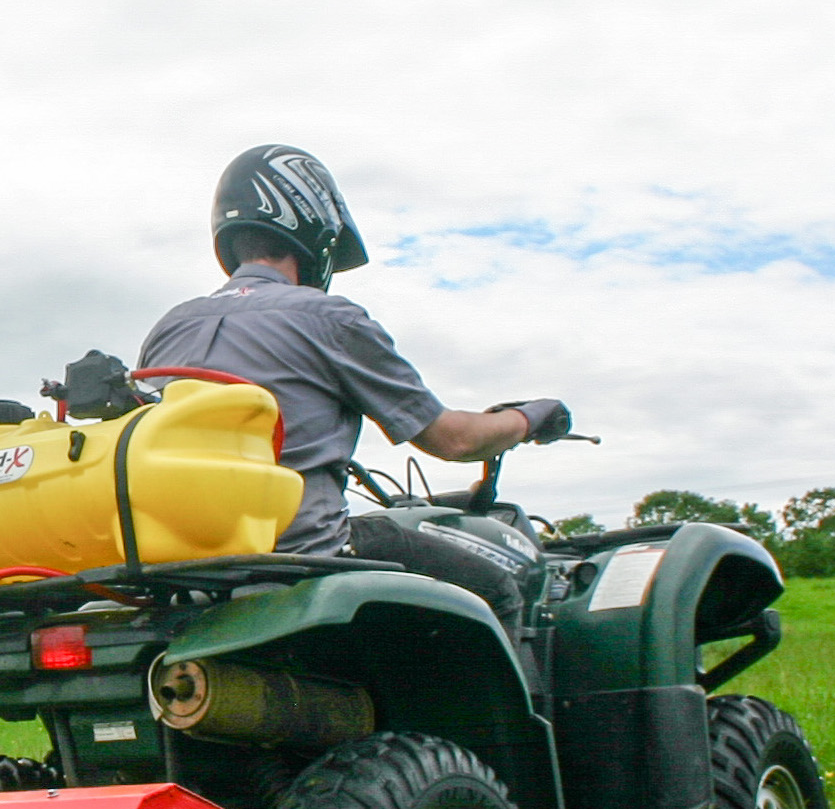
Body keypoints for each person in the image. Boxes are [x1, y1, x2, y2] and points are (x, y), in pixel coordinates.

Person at [138, 144, 571, 631]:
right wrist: (531, 416)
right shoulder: (327, 317)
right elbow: (456, 439)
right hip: (305, 548)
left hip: (187, 559)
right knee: (497, 590)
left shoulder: (169, 327)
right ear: (314, 229)